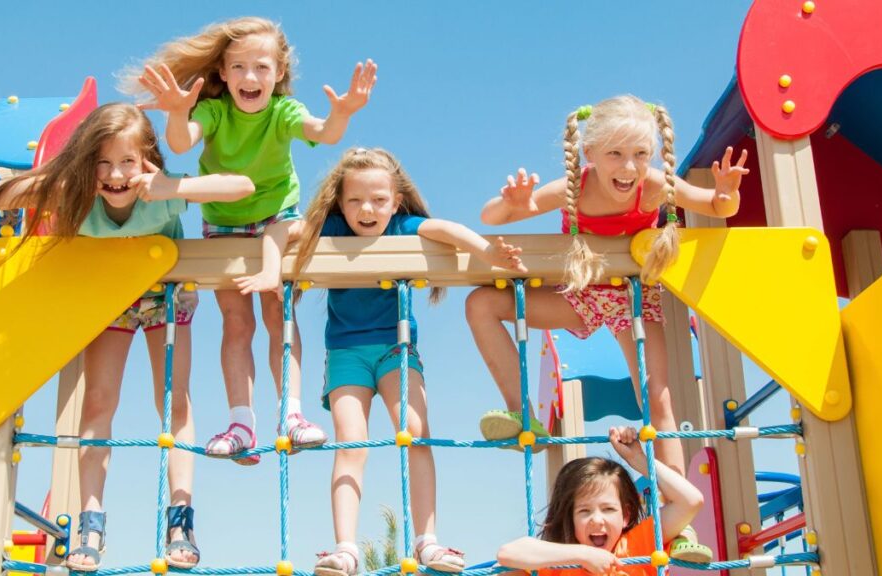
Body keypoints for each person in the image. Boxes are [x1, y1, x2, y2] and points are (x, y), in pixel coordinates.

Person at [0, 103, 256, 571]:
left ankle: (180, 518)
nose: (116, 175)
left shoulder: (160, 191)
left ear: (146, 162)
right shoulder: (76, 193)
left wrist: (167, 184)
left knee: (174, 401)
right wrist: (38, 182)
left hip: (166, 293)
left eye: (127, 162)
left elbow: (241, 186)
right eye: (102, 163)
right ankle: (91, 519)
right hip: (107, 300)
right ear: (86, 164)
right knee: (98, 401)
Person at [467, 95, 747, 560]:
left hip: (633, 302)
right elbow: (490, 217)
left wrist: (726, 190)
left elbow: (717, 207)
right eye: (616, 154)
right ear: (591, 154)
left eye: (640, 154)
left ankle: (678, 525)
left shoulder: (655, 185)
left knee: (659, 402)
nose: (629, 167)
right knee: (481, 303)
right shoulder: (575, 187)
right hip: (579, 294)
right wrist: (512, 203)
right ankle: (522, 412)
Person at [126, 17, 378, 462]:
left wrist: (343, 112)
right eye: (238, 67)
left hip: (277, 219)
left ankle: (292, 414)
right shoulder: (216, 111)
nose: (250, 77)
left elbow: (323, 132)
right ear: (222, 73)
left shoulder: (283, 112)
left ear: (279, 73)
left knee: (279, 312)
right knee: (236, 322)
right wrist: (177, 110)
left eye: (261, 67)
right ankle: (241, 421)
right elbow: (182, 144)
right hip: (223, 223)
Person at [293, 148, 526, 576]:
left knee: (416, 432)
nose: (367, 209)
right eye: (355, 200)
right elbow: (293, 231)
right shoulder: (330, 229)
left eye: (379, 200)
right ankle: (345, 547)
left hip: (395, 350)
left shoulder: (403, 226)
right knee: (352, 442)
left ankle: (427, 541)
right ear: (340, 203)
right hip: (345, 353)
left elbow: (445, 228)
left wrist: (486, 252)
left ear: (396, 201)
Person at [497, 427, 705, 576]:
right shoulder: (561, 564)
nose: (597, 520)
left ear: (626, 515)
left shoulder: (635, 547)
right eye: (584, 511)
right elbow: (508, 553)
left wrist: (639, 460)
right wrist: (583, 554)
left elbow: (690, 500)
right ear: (571, 518)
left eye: (608, 509)